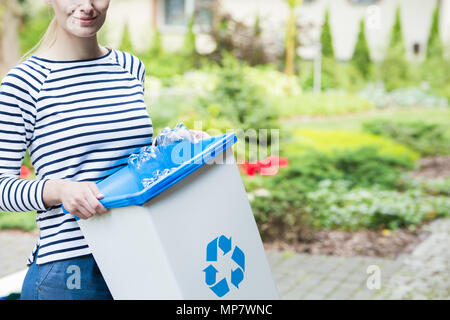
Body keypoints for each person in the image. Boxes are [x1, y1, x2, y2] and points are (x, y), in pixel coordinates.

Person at [0, 0, 209, 300]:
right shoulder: (24, 83)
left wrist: (172, 148)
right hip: (71, 274)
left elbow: (128, 160)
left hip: (139, 256)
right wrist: (60, 190)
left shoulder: (129, 67)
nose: (86, 6)